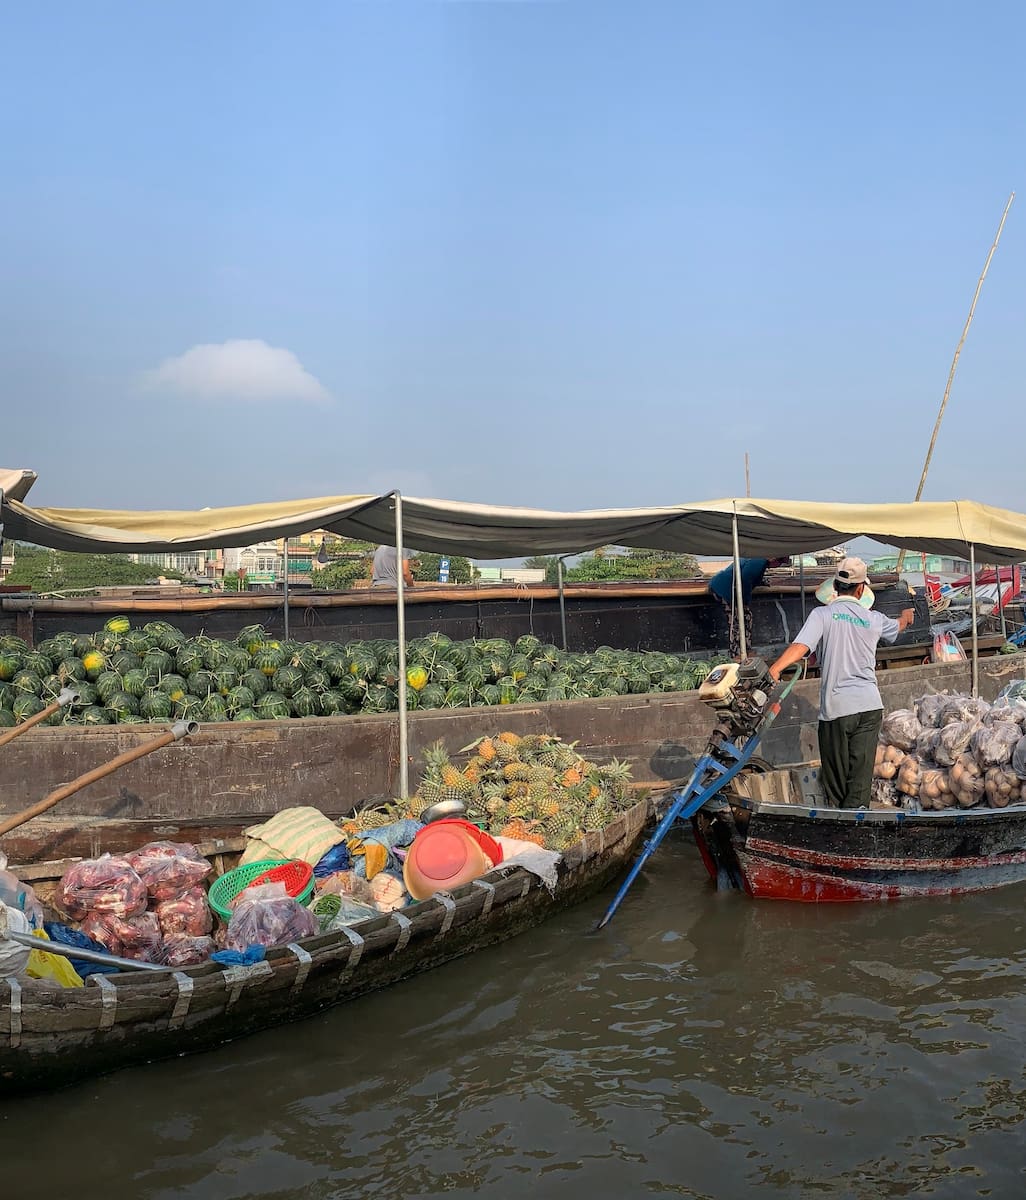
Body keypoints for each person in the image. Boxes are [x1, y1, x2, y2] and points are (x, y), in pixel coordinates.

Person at [768, 557, 916, 810]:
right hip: (869, 706)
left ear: (835, 587)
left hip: (838, 708)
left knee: (836, 778)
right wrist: (906, 616)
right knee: (860, 777)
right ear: (861, 589)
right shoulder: (874, 619)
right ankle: (858, 822)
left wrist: (775, 669)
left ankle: (843, 822)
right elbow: (900, 626)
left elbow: (801, 647)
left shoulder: (822, 614)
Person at [708, 556, 789, 660]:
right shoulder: (759, 560)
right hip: (725, 589)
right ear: (775, 559)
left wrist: (761, 582)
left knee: (743, 618)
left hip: (725, 587)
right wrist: (745, 602)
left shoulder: (759, 560)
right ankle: (738, 653)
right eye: (780, 562)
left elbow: (752, 576)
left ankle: (744, 650)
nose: (779, 566)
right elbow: (745, 579)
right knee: (739, 620)